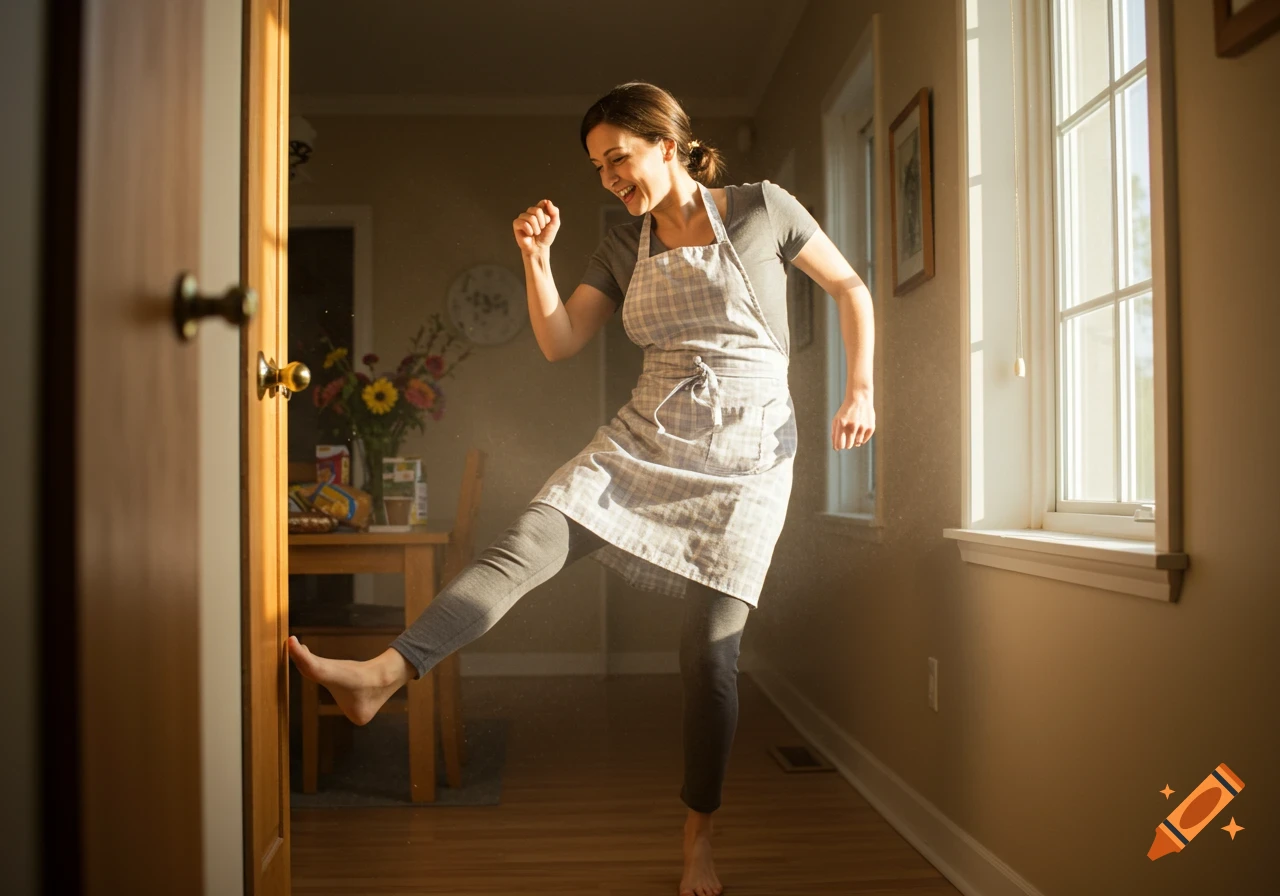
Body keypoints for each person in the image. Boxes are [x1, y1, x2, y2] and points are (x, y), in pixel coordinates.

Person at [287, 81, 876, 896]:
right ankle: (385, 673)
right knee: (529, 535)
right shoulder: (618, 242)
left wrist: (861, 388)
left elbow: (850, 288)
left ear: (667, 144)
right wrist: (535, 260)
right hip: (646, 435)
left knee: (707, 660)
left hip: (747, 458)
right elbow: (562, 340)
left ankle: (698, 835)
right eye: (597, 165)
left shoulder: (761, 208)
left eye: (618, 158)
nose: (608, 176)